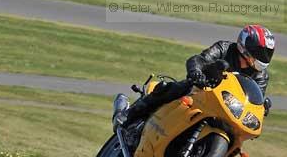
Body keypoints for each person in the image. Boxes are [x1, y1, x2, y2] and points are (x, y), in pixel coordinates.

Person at [114, 24, 275, 130]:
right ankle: (128, 115)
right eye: (261, 52)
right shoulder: (224, 48)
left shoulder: (261, 76)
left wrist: (261, 108)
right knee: (174, 88)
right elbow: (199, 59)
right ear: (246, 46)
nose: (264, 56)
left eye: (267, 53)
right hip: (202, 89)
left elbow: (256, 99)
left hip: (228, 107)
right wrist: (196, 72)